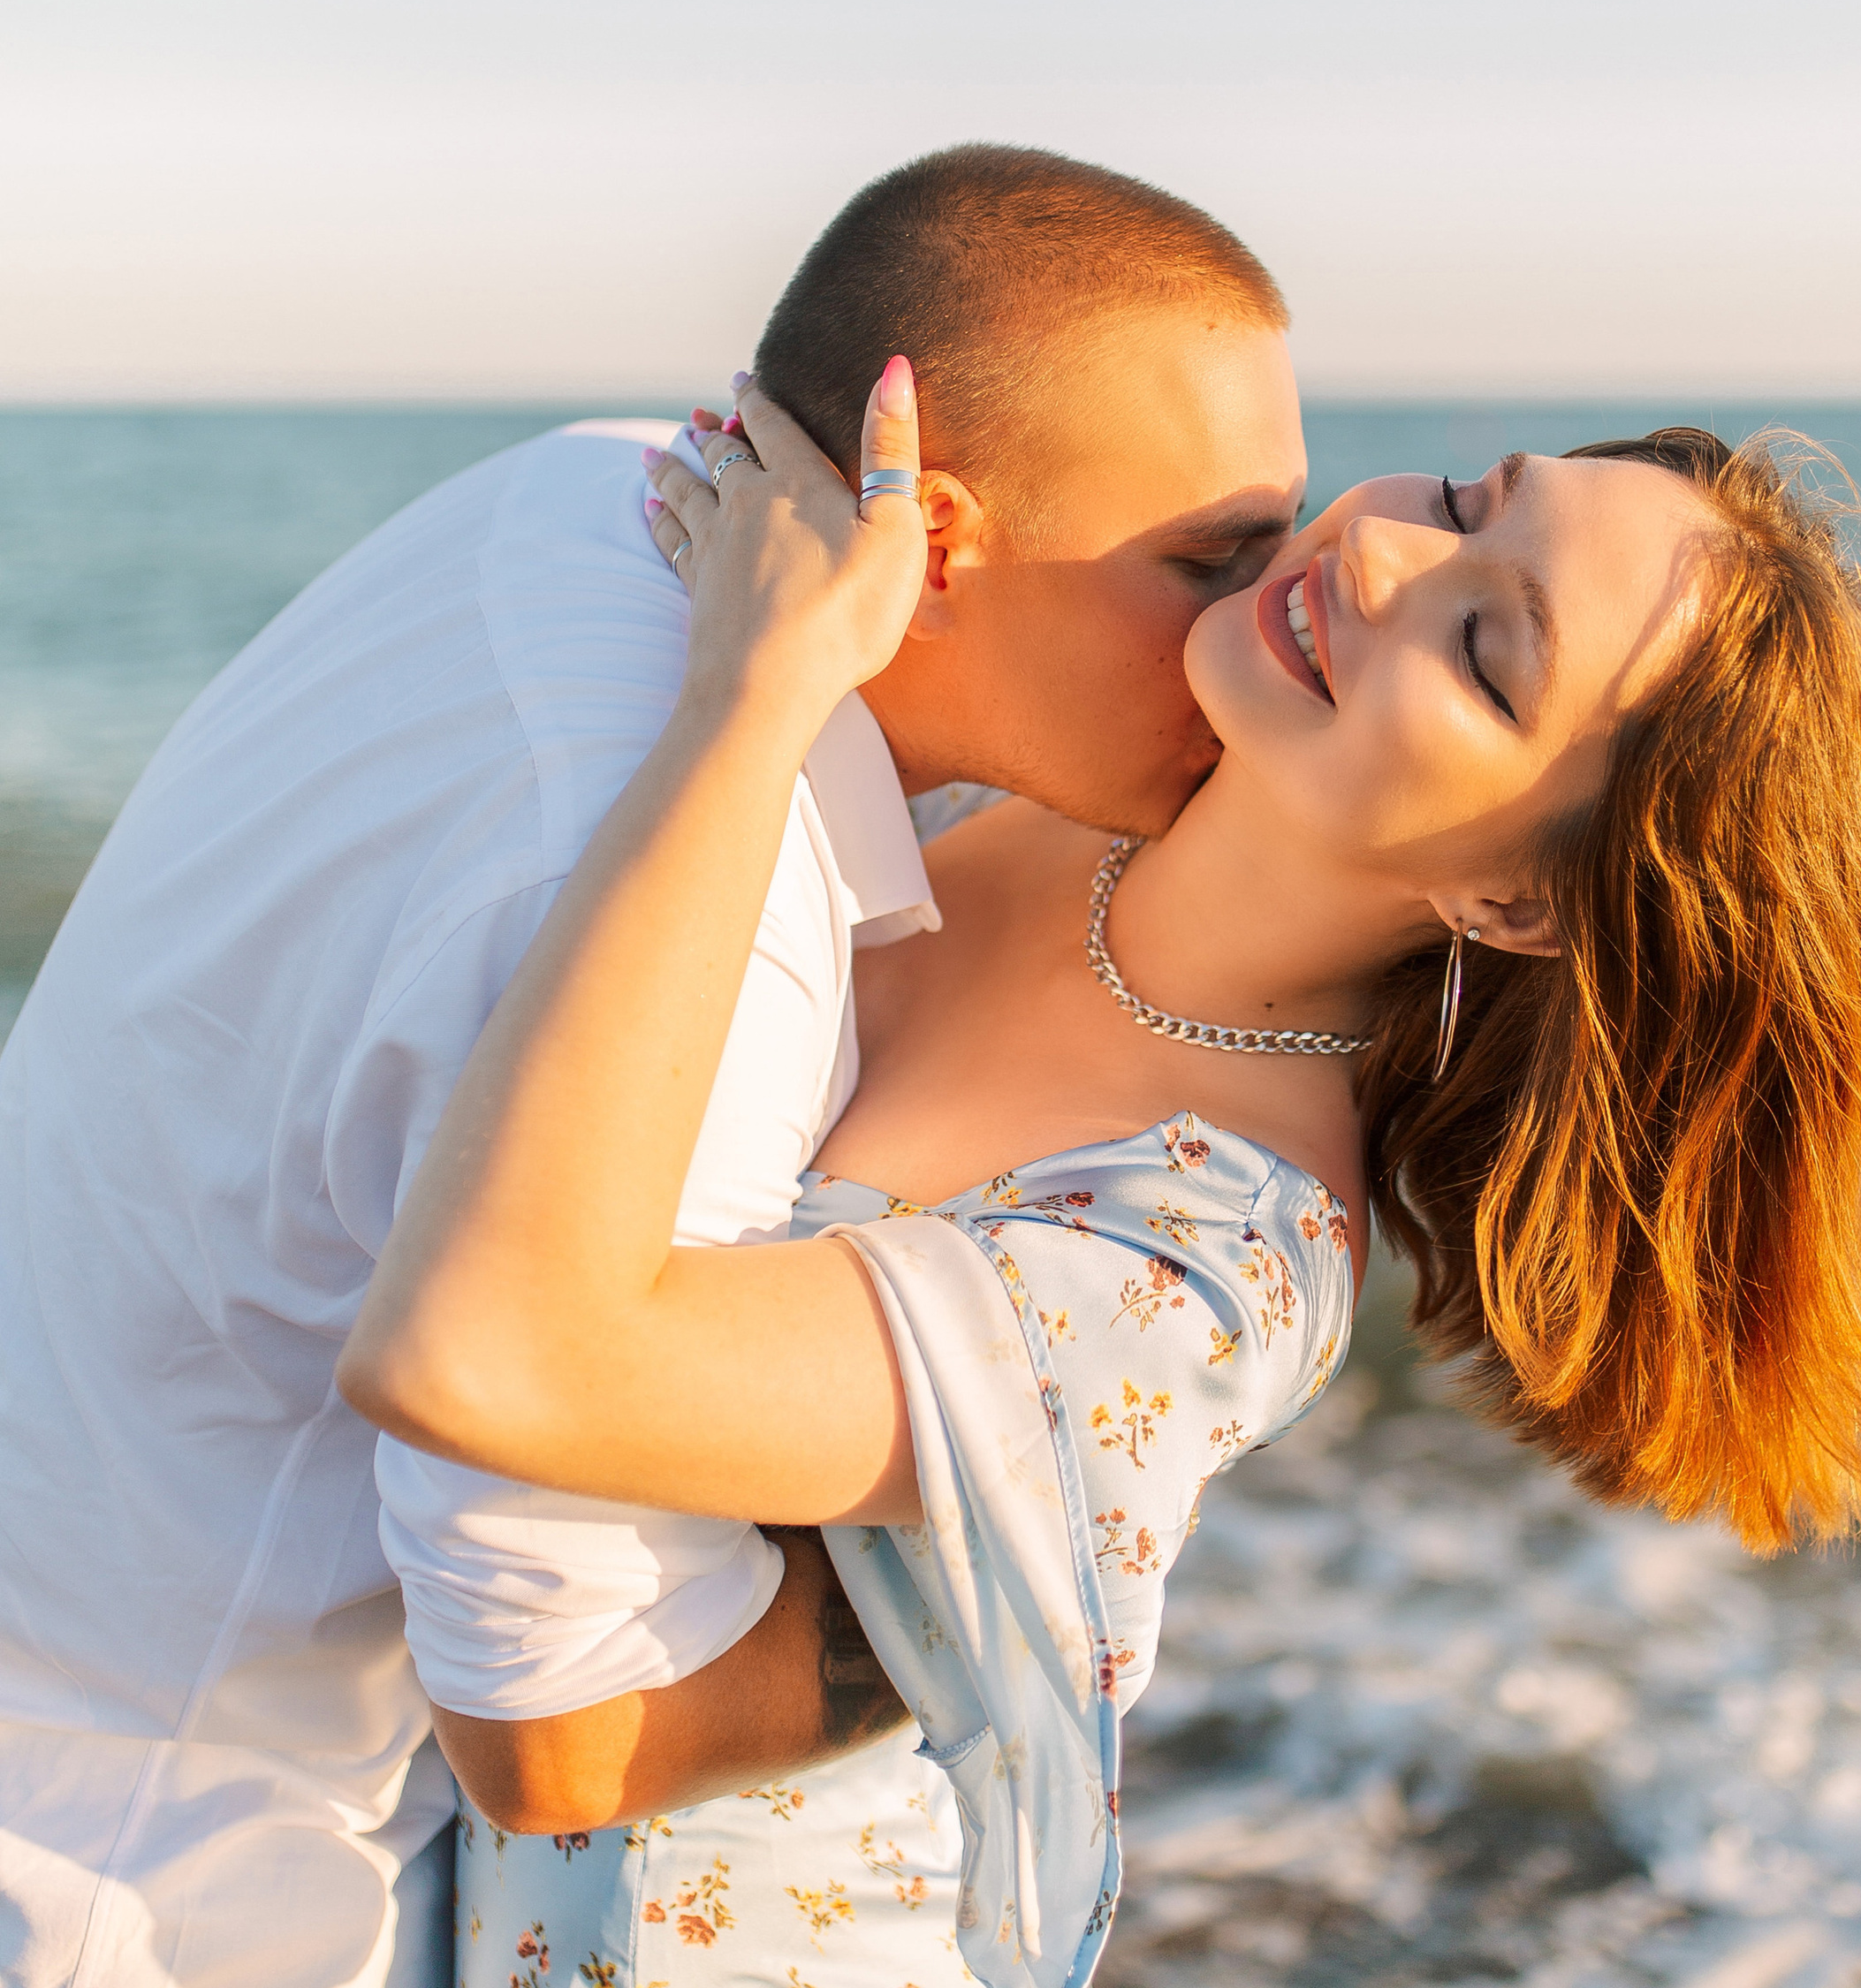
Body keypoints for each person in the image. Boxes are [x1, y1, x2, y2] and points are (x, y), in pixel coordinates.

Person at [341, 354, 1861, 1988]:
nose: (1383, 552)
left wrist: (748, 701)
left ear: (1517, 901)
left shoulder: (1200, 1249)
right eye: (1470, 501)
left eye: (1485, 652)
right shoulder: (1043, 762)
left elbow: (486, 1370)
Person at [0, 146, 1307, 1988]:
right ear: (930, 539)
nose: (1257, 618)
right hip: (157, 1885)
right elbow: (553, 1723)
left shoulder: (597, 487)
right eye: (1207, 560)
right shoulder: (700, 895)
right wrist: (1000, 1599)